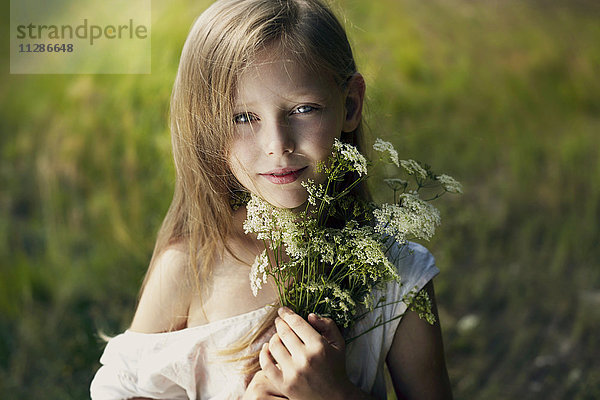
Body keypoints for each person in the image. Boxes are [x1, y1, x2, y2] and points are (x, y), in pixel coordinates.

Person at [90, 0, 453, 398]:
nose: (277, 145)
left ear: (350, 104)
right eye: (242, 117)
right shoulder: (191, 265)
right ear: (206, 127)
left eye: (302, 109)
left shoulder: (397, 273)